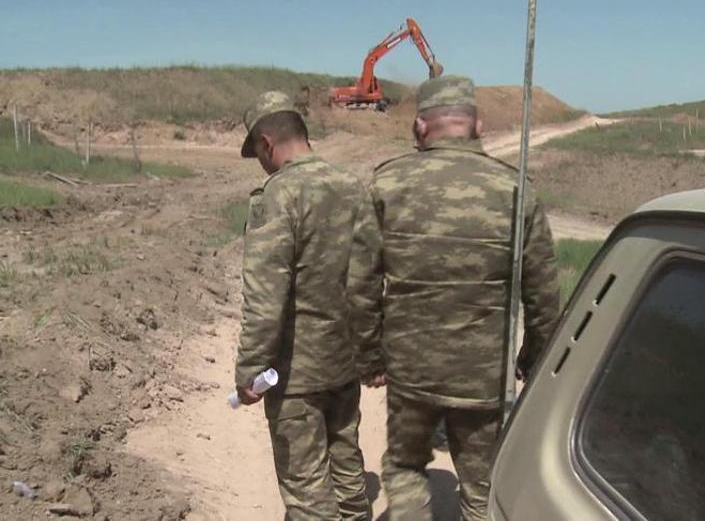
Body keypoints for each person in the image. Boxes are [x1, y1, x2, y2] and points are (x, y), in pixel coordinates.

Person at [356, 75, 561, 520]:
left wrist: (371, 355)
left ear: (419, 127)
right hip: (483, 375)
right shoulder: (515, 189)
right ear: (478, 125)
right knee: (483, 483)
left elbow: (361, 282)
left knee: (404, 465)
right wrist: (534, 356)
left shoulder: (387, 183)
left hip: (411, 371)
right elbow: (544, 291)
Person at [234, 91, 379, 520]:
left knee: (306, 486)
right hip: (344, 362)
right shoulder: (354, 187)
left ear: (266, 142)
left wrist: (250, 372)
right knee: (348, 469)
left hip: (295, 374)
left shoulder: (277, 197)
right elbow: (372, 277)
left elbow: (265, 297)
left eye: (257, 154)